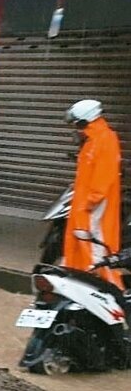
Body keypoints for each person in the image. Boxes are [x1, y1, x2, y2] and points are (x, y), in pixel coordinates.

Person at [62, 99, 122, 286]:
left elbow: (104, 174)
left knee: (97, 249)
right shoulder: (93, 140)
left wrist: (91, 201)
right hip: (85, 206)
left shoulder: (105, 139)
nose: (76, 128)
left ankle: (109, 289)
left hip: (94, 207)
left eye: (76, 123)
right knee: (80, 243)